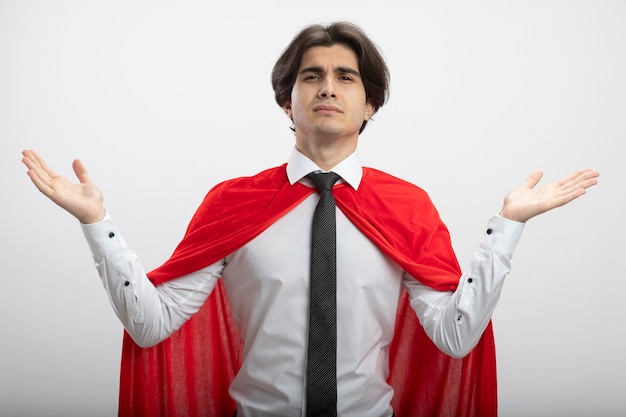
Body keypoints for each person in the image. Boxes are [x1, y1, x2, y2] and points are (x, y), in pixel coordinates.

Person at [22, 21, 598, 417]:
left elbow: (454, 336)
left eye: (346, 77)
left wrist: (507, 227)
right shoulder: (232, 203)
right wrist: (97, 225)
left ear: (369, 105)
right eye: (310, 76)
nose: (328, 87)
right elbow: (151, 325)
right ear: (286, 101)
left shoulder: (407, 207)